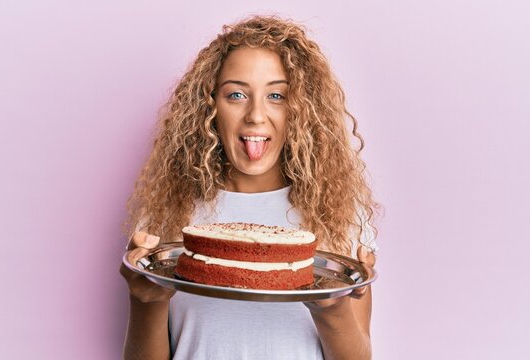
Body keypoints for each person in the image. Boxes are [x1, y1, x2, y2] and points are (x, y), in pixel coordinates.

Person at [120, 15, 379, 360]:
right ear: (209, 107)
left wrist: (331, 308)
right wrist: (144, 300)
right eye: (237, 94)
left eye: (276, 95)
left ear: (301, 110)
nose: (256, 114)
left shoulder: (336, 214)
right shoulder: (169, 212)